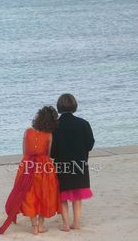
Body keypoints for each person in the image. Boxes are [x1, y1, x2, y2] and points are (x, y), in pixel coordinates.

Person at [0, 106, 61, 235]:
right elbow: (48, 154)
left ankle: (34, 226)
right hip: (44, 167)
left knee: (29, 194)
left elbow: (24, 151)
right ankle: (41, 226)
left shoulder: (27, 132)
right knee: (44, 194)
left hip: (27, 165)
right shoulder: (49, 135)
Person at [51, 93, 95, 231]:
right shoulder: (83, 123)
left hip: (61, 164)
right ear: (74, 106)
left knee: (63, 195)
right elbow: (90, 144)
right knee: (77, 196)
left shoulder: (54, 126)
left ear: (59, 107)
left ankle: (65, 224)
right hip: (80, 164)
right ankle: (76, 223)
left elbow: (52, 151)